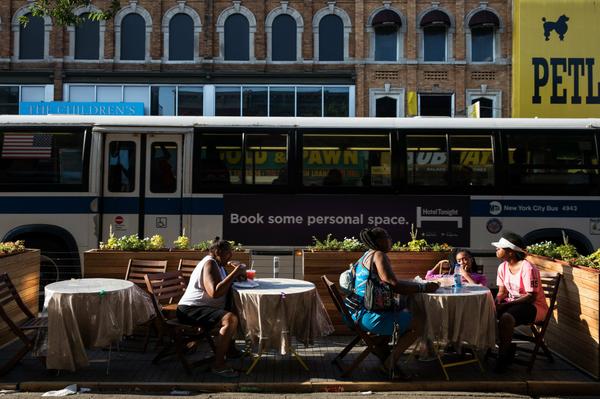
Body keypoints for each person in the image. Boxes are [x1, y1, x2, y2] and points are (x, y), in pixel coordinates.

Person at [348, 227, 439, 379]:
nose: (391, 240)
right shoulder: (379, 255)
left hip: (355, 312)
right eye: (387, 236)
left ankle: (387, 352)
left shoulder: (367, 255)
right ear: (378, 241)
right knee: (419, 322)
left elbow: (389, 281)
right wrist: (423, 287)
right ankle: (389, 364)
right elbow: (392, 284)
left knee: (406, 310)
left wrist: (413, 285)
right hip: (368, 317)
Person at [176, 237, 246, 378]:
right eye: (228, 253)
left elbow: (230, 283)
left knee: (234, 307)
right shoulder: (209, 264)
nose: (231, 256)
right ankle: (218, 365)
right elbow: (214, 292)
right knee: (230, 319)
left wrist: (240, 274)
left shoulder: (219, 265)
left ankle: (230, 350)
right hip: (190, 309)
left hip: (201, 307)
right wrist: (235, 272)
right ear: (218, 252)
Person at [492, 231, 548, 372]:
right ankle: (507, 346)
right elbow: (502, 292)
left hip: (533, 306)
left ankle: (503, 357)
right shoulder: (502, 267)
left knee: (506, 318)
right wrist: (497, 301)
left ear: (510, 252)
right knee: (488, 312)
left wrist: (505, 305)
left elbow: (531, 297)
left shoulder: (528, 268)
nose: (496, 249)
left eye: (500, 248)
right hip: (515, 304)